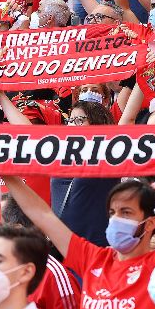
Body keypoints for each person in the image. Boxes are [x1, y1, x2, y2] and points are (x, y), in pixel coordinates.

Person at [3, 175, 155, 309]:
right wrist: (4, 172)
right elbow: (42, 214)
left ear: (150, 223)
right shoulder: (92, 259)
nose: (116, 219)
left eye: (126, 213)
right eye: (112, 212)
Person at [51, 101, 121, 247]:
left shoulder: (107, 156)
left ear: (98, 124)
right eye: (70, 120)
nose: (72, 125)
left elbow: (127, 120)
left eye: (79, 120)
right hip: (62, 246)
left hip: (95, 246)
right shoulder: (61, 156)